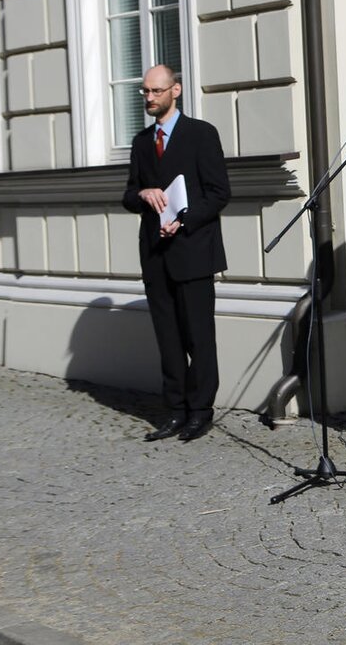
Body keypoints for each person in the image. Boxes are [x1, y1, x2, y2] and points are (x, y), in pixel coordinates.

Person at [121, 65, 230, 443]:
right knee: (167, 337)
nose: (149, 98)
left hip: (194, 251)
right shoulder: (140, 142)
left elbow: (218, 193)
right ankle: (176, 411)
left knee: (198, 337)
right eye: (144, 91)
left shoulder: (201, 134)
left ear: (175, 90)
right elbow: (128, 194)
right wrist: (142, 194)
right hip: (155, 254)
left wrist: (183, 220)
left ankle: (201, 411)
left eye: (156, 91)